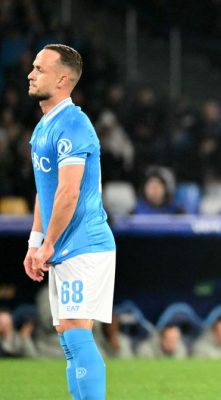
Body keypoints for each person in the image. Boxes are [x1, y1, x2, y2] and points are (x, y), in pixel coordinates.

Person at [24, 44, 116, 399]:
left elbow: (68, 192)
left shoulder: (74, 124)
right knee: (68, 336)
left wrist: (48, 243)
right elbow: (44, 192)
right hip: (64, 246)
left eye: (39, 69)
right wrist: (35, 243)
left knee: (76, 332)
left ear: (63, 79)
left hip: (84, 243)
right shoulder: (44, 127)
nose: (31, 74)